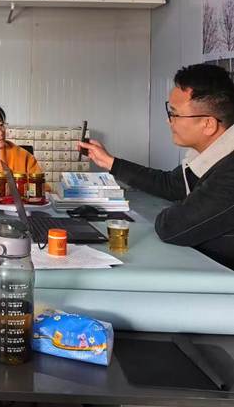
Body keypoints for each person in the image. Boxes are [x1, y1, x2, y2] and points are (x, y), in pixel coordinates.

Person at [80, 63, 234, 269]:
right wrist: (109, 162)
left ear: (208, 124)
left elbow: (172, 226)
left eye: (175, 114)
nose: (169, 121)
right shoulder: (212, 156)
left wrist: (182, 207)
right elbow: (171, 184)